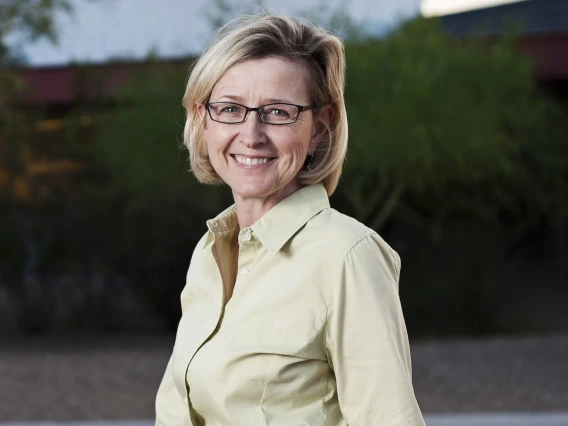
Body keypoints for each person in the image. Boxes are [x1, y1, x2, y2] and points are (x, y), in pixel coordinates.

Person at [155, 12, 426, 426]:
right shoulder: (209, 252)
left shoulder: (347, 256)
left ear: (320, 126)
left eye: (278, 113)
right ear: (202, 118)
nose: (251, 134)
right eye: (230, 108)